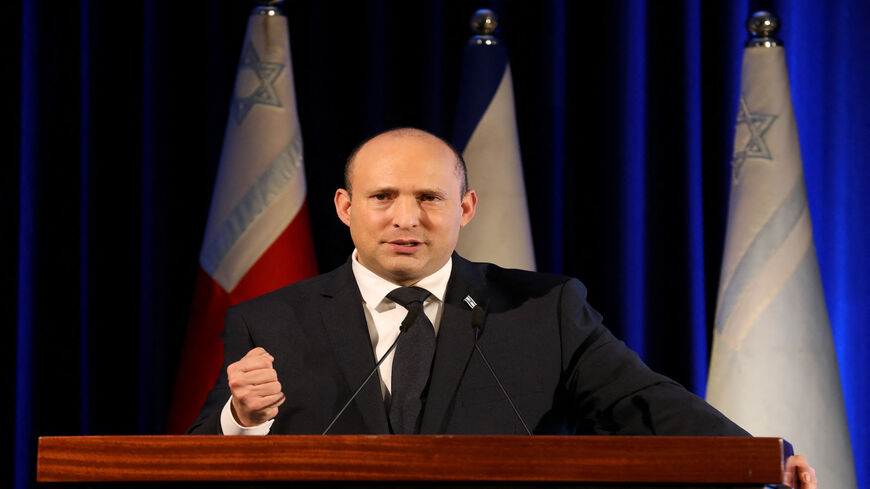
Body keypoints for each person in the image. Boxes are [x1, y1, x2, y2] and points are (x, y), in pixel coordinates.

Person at [189, 127, 816, 488]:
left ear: (465, 209)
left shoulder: (543, 311)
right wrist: (240, 420)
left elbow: (645, 405)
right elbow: (193, 465)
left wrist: (762, 461)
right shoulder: (270, 321)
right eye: (382, 196)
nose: (406, 218)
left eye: (430, 197)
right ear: (344, 208)